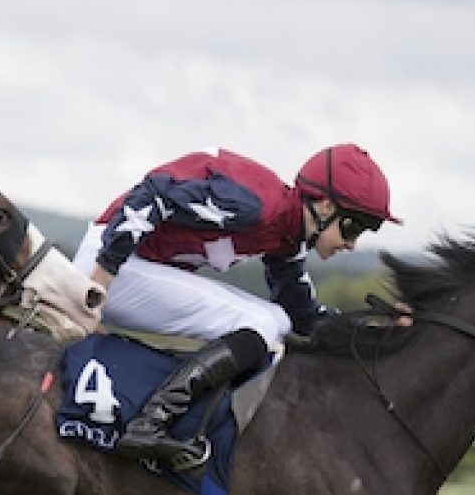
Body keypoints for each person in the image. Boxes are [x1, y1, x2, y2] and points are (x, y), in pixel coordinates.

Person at [73, 143, 398, 464]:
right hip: (109, 264)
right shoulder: (256, 206)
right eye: (351, 227)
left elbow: (303, 317)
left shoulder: (286, 235)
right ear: (325, 206)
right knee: (264, 323)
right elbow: (154, 194)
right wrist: (98, 284)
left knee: (277, 321)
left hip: (129, 266)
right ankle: (152, 421)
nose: (352, 244)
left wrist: (374, 334)